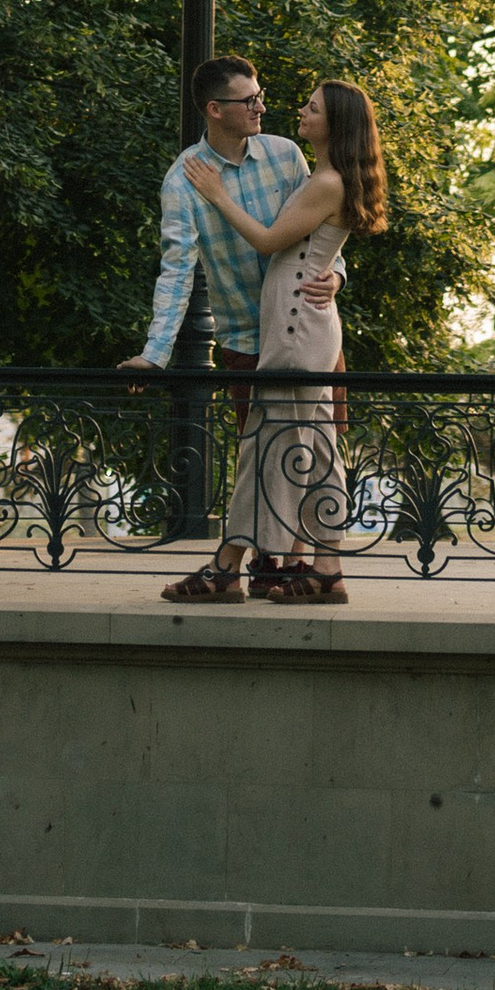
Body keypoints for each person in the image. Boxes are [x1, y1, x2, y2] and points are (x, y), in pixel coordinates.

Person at [159, 80, 386, 609]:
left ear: (337, 123)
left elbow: (266, 240)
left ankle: (225, 570)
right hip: (304, 322)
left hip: (293, 327)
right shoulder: (327, 177)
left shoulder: (325, 182)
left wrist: (216, 195)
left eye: (313, 108)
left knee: (268, 447)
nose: (300, 112)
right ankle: (324, 571)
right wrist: (335, 278)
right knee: (312, 450)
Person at [124, 54, 332, 600]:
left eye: (260, 95)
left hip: (308, 327)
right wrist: (156, 353)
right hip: (247, 338)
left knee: (308, 449)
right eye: (249, 100)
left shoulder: (286, 154)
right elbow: (176, 271)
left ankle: (291, 565)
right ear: (215, 110)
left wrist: (336, 279)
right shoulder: (185, 179)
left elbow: (322, 232)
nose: (262, 105)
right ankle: (270, 564)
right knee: (261, 452)